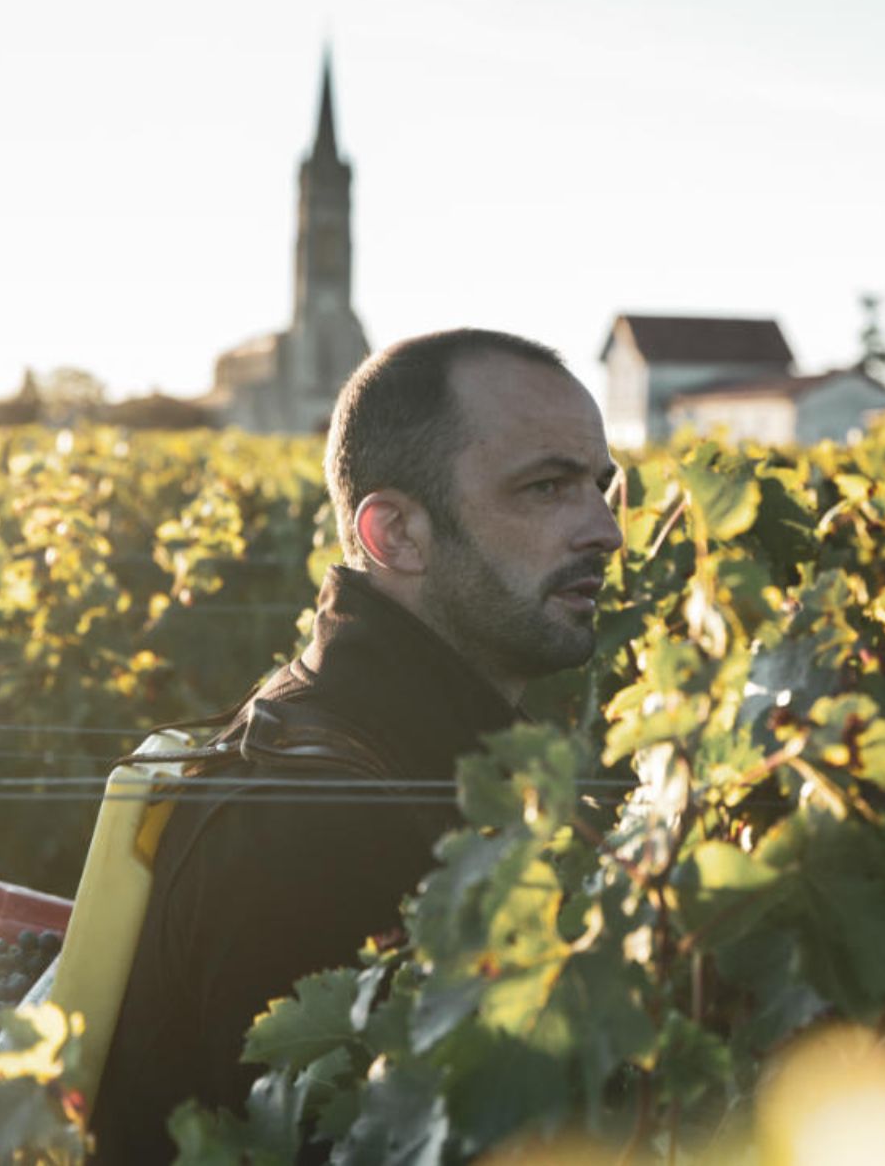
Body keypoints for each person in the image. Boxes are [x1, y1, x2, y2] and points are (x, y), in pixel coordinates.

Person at [91, 328, 624, 1162]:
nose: (605, 530)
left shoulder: (397, 743)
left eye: (601, 484)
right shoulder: (316, 830)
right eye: (547, 487)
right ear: (394, 535)